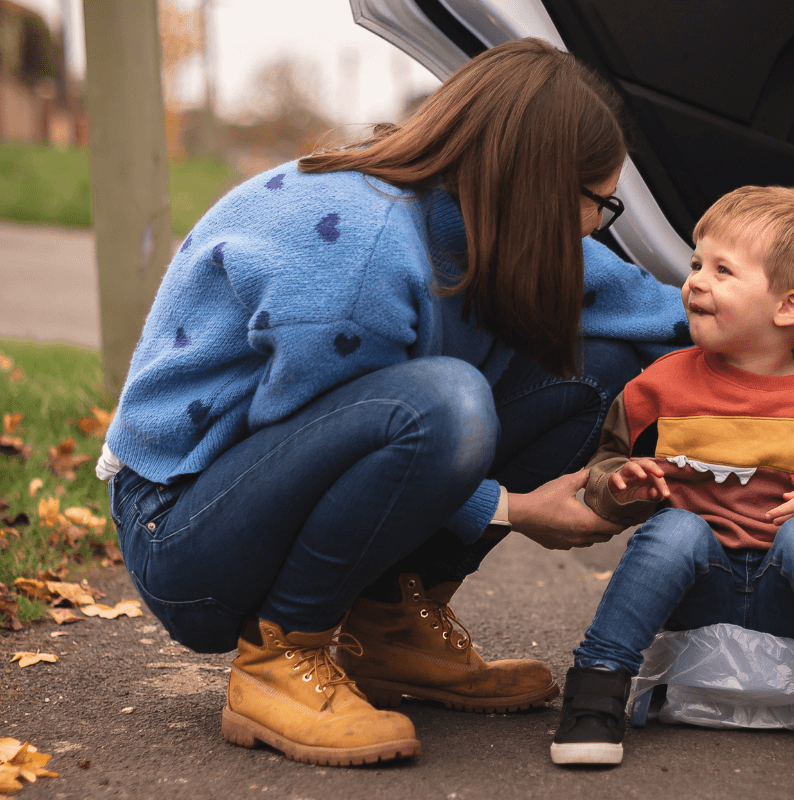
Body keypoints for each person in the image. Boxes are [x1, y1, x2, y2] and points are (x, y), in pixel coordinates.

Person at [97, 38, 689, 768]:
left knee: (605, 369)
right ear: (539, 192)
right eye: (601, 204)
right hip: (186, 532)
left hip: (282, 473)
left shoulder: (471, 218)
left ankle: (389, 625)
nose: (599, 226)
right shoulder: (361, 255)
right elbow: (320, 450)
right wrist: (511, 508)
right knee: (446, 403)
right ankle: (282, 653)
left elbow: (658, 316)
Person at [549, 186, 794, 785]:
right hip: (697, 596)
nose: (695, 281)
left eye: (722, 270)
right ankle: (595, 694)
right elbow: (604, 471)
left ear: (788, 307)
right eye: (697, 263)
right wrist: (620, 486)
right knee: (675, 527)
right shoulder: (659, 386)